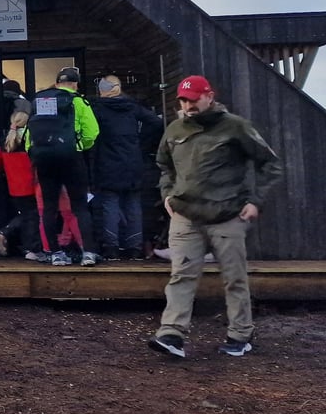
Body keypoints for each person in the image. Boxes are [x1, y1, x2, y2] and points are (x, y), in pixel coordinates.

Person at [147, 75, 283, 359]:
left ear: (209, 96)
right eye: (183, 100)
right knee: (181, 275)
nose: (188, 105)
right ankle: (171, 334)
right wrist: (167, 195)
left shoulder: (235, 126)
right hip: (185, 214)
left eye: (193, 99)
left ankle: (240, 335)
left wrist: (255, 201)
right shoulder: (174, 129)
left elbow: (270, 164)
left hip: (227, 214)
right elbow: (164, 165)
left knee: (234, 278)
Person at [25, 67, 100, 266]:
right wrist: (79, 146)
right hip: (71, 157)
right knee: (79, 206)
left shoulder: (41, 102)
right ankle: (88, 253)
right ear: (75, 84)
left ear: (57, 83)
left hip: (44, 159)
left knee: (49, 208)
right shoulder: (78, 101)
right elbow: (92, 132)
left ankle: (55, 254)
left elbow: (29, 137)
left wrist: (37, 153)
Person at [88, 75, 164, 260]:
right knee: (133, 205)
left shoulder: (97, 109)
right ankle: (135, 248)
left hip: (107, 163)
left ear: (101, 91)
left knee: (110, 205)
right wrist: (140, 144)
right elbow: (157, 123)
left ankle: (112, 248)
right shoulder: (132, 107)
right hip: (133, 162)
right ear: (118, 89)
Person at [0, 112, 41, 259]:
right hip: (31, 184)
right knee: (32, 216)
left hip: (14, 186)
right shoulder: (30, 138)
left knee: (26, 215)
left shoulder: (5, 141)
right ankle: (27, 246)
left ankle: (24, 246)